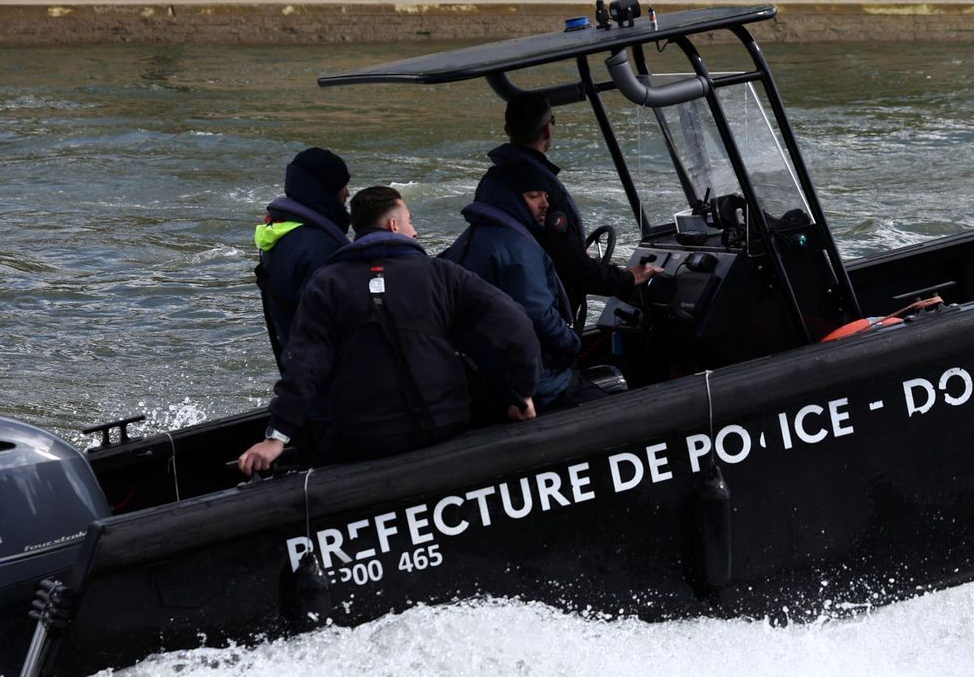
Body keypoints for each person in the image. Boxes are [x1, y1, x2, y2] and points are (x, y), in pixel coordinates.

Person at [238, 186, 541, 475]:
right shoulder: (442, 274)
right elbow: (516, 325)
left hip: (364, 438)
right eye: (410, 221)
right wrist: (522, 393)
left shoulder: (326, 284)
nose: (415, 231)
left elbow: (303, 364)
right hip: (446, 422)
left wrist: (276, 437)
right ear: (394, 225)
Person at [483, 92, 659, 322]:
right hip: (544, 314)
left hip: (504, 303)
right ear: (547, 130)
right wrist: (628, 278)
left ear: (507, 130)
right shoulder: (542, 187)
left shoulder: (493, 182)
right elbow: (573, 268)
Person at [440, 161, 584, 411]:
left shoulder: (468, 240)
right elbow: (538, 315)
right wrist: (572, 344)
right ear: (508, 199)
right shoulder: (516, 247)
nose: (545, 204)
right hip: (534, 383)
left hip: (484, 378)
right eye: (533, 196)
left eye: (546, 195)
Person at [255, 147, 352, 369]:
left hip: (299, 371)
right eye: (342, 185)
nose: (347, 193)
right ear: (325, 190)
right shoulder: (319, 247)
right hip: (324, 379)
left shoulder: (282, 235)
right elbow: (328, 324)